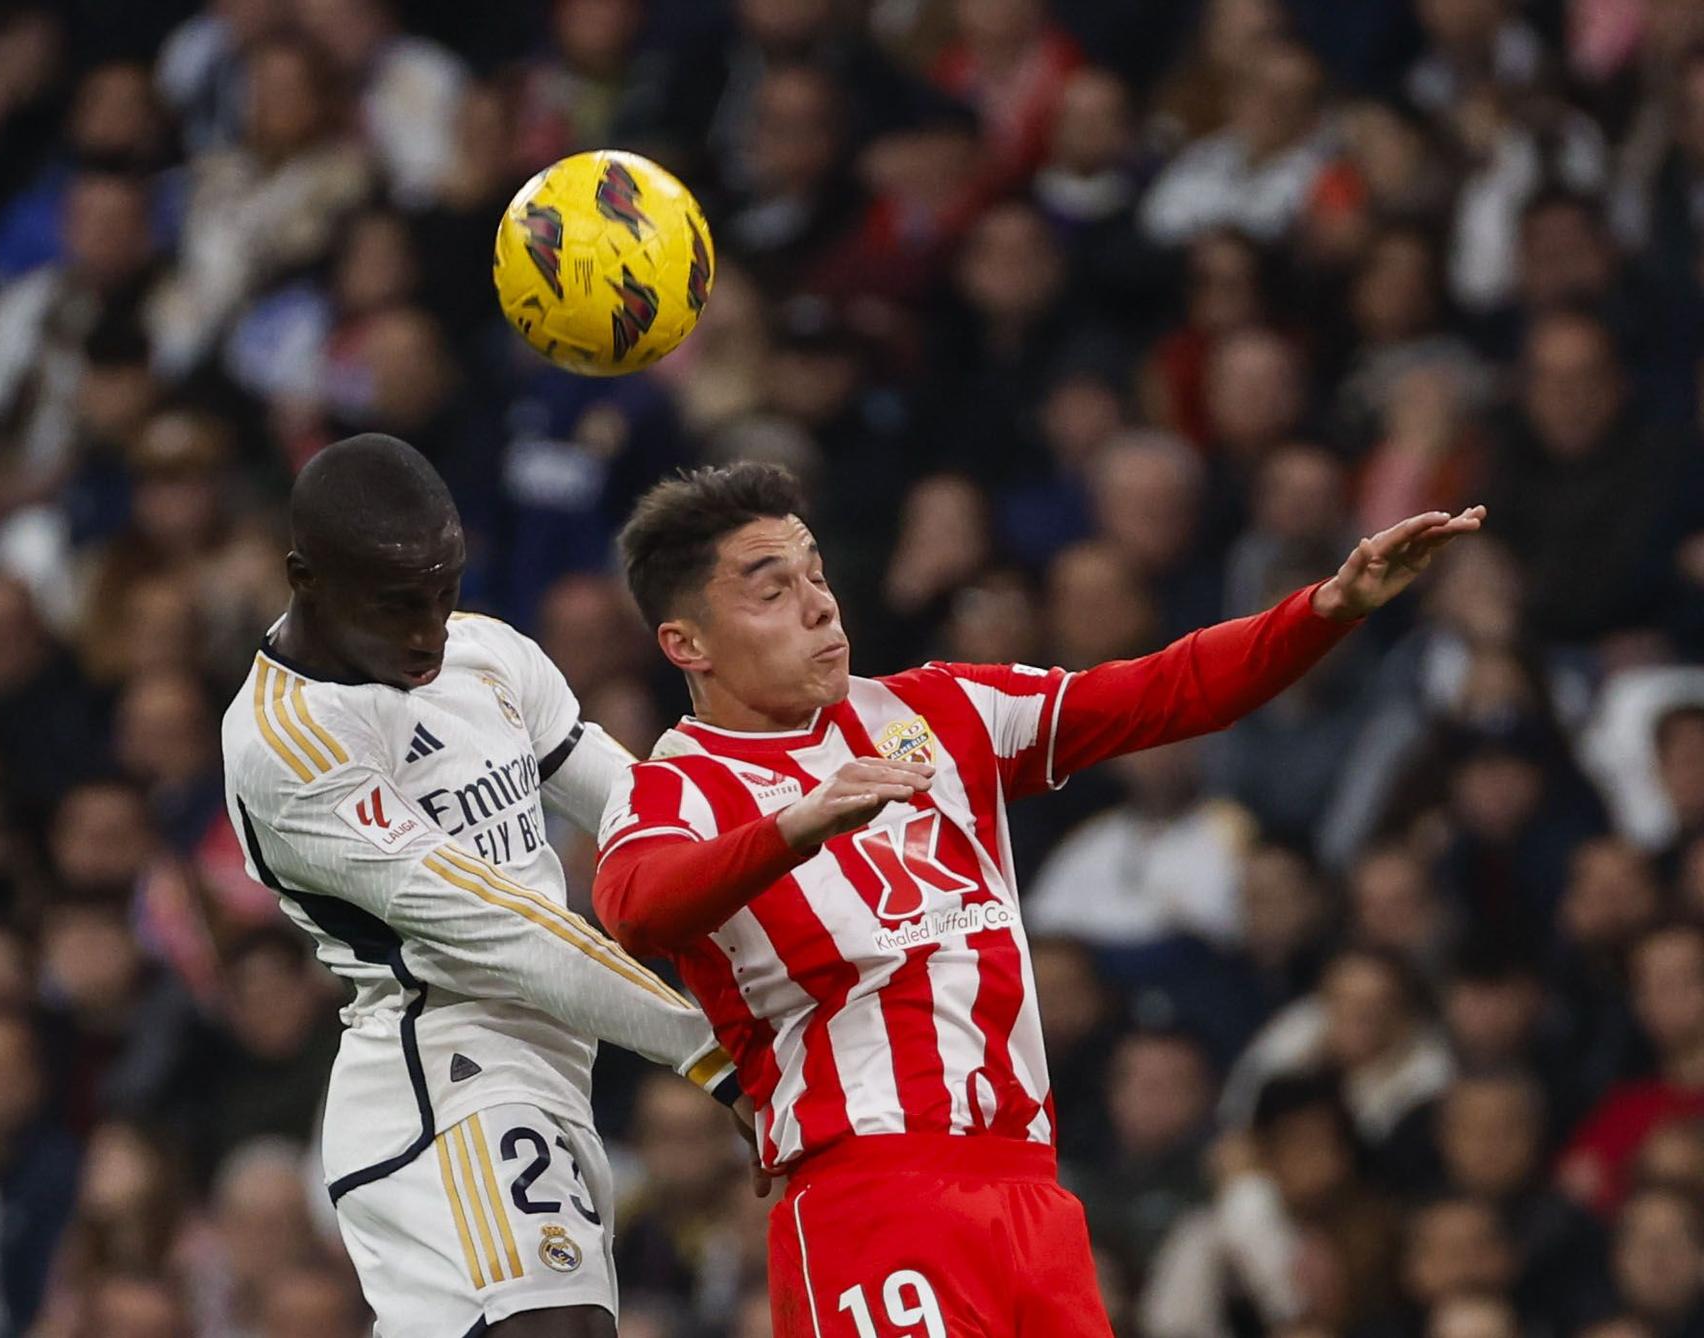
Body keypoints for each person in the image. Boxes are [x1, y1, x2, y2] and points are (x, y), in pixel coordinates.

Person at [591, 461, 1484, 1335]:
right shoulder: (674, 791)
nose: (821, 605)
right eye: (771, 590)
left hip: (1031, 1195)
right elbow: (635, 908)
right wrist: (796, 826)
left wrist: (1327, 608)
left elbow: (1162, 691)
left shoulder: (939, 712)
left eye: (817, 576)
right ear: (687, 644)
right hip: (871, 1196)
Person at [220, 433, 740, 1338]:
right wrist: (714, 1052)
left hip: (551, 1061)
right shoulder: (287, 743)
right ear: (305, 578)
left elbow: (636, 812)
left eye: (443, 592)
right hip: (442, 1075)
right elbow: (505, 931)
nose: (429, 631)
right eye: (396, 606)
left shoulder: (486, 652)